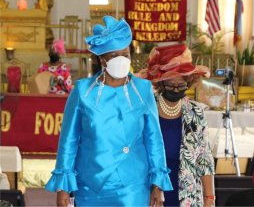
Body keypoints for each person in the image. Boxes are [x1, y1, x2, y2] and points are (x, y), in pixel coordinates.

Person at [45, 16, 173, 206]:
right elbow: (68, 142)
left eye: (126, 54)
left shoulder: (143, 90)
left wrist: (157, 183)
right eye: (114, 56)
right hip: (91, 185)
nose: (121, 60)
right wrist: (63, 186)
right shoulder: (82, 91)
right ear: (101, 59)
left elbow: (154, 139)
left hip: (134, 184)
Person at [141, 44, 215, 206]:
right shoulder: (147, 109)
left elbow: (205, 159)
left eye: (181, 86)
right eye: (170, 85)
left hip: (187, 193)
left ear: (189, 82)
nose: (175, 90)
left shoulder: (196, 112)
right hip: (150, 189)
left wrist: (209, 198)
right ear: (160, 83)